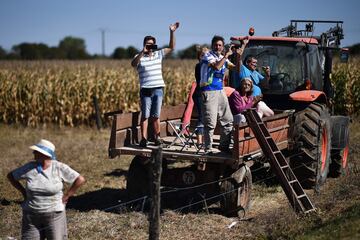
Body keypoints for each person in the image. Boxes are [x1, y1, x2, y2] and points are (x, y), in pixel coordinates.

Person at [7, 139, 85, 240]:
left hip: (54, 214)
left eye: (36, 151)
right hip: (31, 215)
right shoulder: (29, 167)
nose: (33, 153)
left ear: (44, 154)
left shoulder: (58, 167)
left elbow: (80, 179)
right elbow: (11, 176)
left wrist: (67, 195)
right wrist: (23, 192)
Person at [131, 22, 180, 147]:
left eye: (152, 44)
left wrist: (172, 32)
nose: (150, 47)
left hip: (158, 88)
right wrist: (143, 52)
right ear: (144, 45)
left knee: (156, 115)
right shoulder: (139, 56)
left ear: (155, 45)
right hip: (146, 90)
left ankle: (157, 137)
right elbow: (133, 64)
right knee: (145, 115)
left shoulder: (159, 54)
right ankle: (143, 139)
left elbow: (172, 46)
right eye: (148, 44)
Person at [200, 35, 235, 153]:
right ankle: (208, 149)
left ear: (222, 47)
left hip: (220, 90)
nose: (218, 47)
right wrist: (226, 56)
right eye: (216, 45)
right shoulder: (207, 55)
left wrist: (240, 52)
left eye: (220, 45)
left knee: (228, 120)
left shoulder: (222, 57)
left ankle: (224, 146)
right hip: (209, 91)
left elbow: (236, 68)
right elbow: (216, 66)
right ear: (212, 45)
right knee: (211, 122)